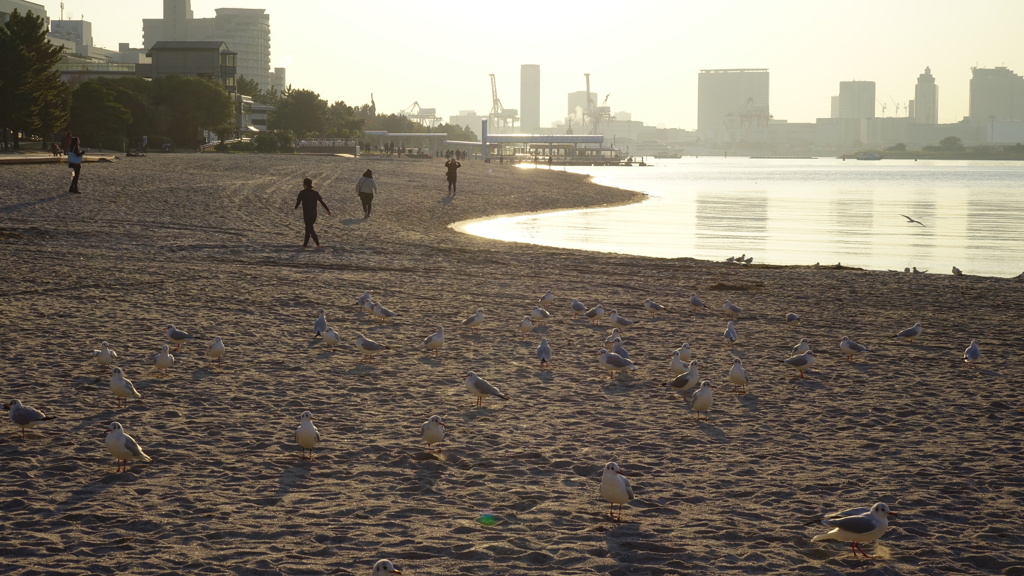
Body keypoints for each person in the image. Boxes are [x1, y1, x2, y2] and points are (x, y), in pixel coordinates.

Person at [294, 177, 331, 249]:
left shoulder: (302, 193)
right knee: (308, 229)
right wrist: (328, 210)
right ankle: (304, 245)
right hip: (314, 214)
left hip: (307, 214)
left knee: (310, 229)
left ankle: (318, 245)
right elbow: (322, 202)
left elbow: (298, 202)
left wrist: (296, 207)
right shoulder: (315, 193)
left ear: (304, 185)